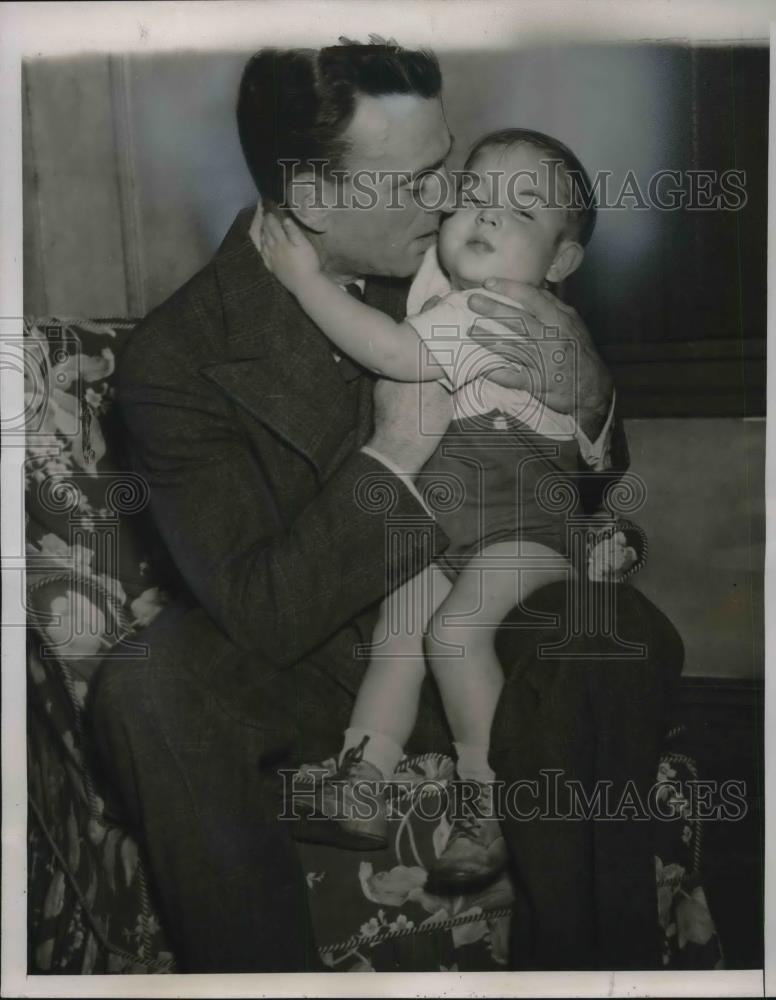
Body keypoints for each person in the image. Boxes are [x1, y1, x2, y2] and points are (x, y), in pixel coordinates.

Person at [90, 40, 683, 973]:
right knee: (148, 684)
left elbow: (575, 468)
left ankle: (589, 972)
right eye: (419, 179)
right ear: (316, 199)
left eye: (449, 162)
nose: (455, 199)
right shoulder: (177, 360)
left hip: (486, 601)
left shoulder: (469, 261)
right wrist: (394, 449)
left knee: (617, 638)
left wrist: (587, 393)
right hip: (321, 649)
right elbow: (261, 607)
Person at [259, 126, 641, 894]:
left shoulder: (499, 311)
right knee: (399, 632)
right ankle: (362, 775)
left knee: (452, 630)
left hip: (522, 524)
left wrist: (305, 281)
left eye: (522, 212)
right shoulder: (451, 286)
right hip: (444, 526)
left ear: (561, 262)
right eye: (474, 195)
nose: (488, 216)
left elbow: (397, 356)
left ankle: (489, 797)